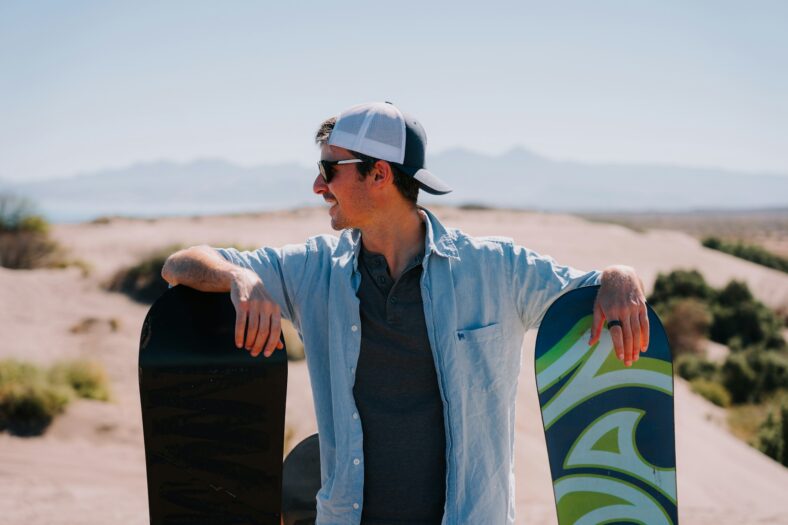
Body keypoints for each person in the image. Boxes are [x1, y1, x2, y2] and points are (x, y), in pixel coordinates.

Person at [161, 101, 649, 525]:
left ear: (379, 174)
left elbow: (587, 289)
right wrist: (239, 277)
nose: (316, 185)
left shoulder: (494, 268)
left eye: (330, 169)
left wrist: (621, 272)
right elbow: (180, 263)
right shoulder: (313, 270)